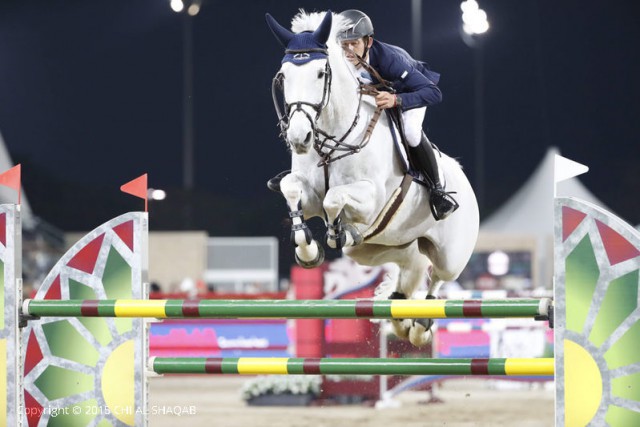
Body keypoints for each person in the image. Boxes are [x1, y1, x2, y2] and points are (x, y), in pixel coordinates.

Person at [268, 9, 458, 221]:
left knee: (411, 131)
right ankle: (303, 173)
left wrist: (397, 100)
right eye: (344, 44)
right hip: (375, 95)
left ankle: (437, 189)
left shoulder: (389, 59)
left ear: (368, 41)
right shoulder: (339, 59)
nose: (349, 50)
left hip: (410, 93)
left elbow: (433, 93)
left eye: (354, 43)